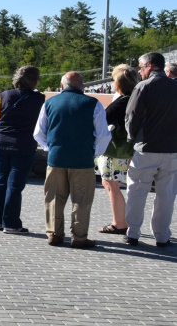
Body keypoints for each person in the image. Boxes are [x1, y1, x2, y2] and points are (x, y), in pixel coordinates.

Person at [33, 72, 110, 248]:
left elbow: (39, 132)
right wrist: (94, 152)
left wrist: (49, 148)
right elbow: (103, 135)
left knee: (54, 197)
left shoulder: (49, 103)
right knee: (81, 200)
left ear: (62, 85)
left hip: (56, 158)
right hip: (82, 160)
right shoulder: (93, 104)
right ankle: (79, 237)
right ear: (82, 86)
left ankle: (54, 233)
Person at [123, 52, 177, 247]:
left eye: (140, 67)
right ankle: (162, 236)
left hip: (145, 148)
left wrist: (131, 138)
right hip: (171, 150)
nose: (139, 71)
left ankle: (133, 233)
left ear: (150, 66)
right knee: (166, 196)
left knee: (136, 191)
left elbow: (132, 116)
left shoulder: (143, 86)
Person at [0, 65, 45, 235]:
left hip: (0, 142)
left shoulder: (4, 95)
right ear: (34, 80)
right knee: (14, 184)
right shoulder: (39, 99)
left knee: (0, 180)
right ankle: (11, 223)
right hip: (23, 144)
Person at [96, 64, 141, 235]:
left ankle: (119, 223)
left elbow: (103, 119)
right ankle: (122, 221)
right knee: (110, 184)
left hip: (115, 151)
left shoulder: (122, 101)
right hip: (128, 149)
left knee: (111, 184)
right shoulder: (136, 98)